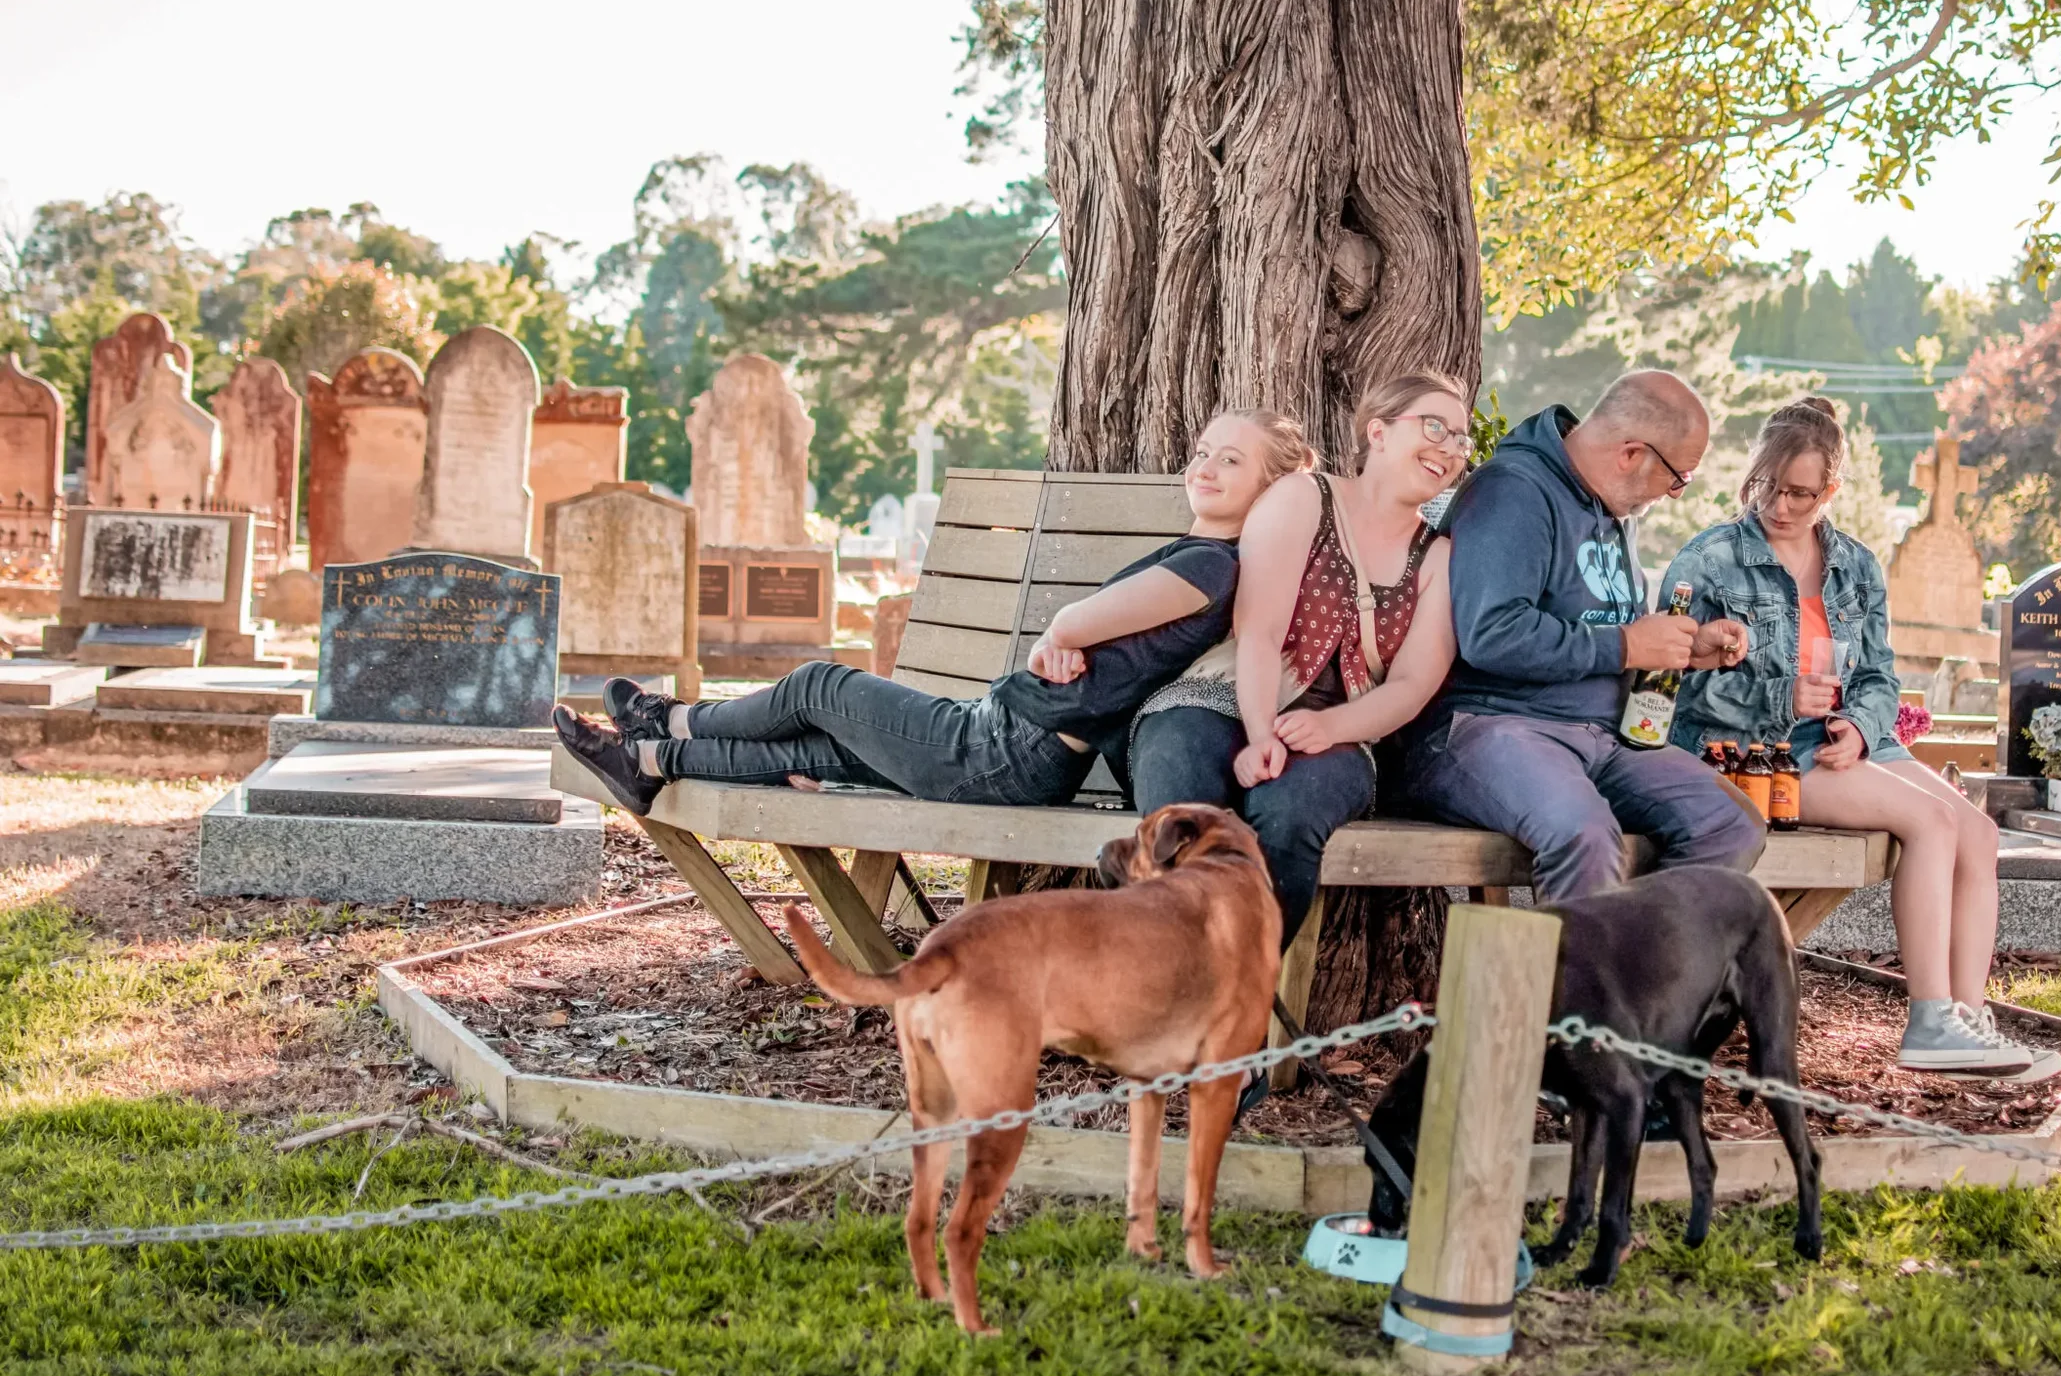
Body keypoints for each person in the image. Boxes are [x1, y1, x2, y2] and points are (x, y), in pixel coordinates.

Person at [555, 410, 1311, 816]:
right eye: (1203, 451)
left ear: (1272, 489)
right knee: (815, 750)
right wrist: (1066, 640)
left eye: (1231, 461)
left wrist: (1060, 635)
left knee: (822, 684)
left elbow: (1082, 621)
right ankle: (647, 762)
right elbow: (1106, 633)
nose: (1204, 466)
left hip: (1011, 748)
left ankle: (672, 719)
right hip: (1017, 744)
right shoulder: (1202, 556)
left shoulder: (1212, 564)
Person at [1663, 397, 2056, 1077]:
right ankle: (1931, 1019)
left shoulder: (1856, 566)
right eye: (1766, 485)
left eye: (1799, 492)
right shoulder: (1711, 560)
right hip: (1759, 751)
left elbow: (1878, 677)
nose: (1779, 505)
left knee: (1979, 833)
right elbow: (1673, 690)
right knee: (1930, 821)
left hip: (1840, 742)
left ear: (1831, 491)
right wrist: (1781, 695)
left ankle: (1967, 1016)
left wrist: (1862, 727)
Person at [1395, 370, 1766, 902]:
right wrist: (1626, 645)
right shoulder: (1514, 492)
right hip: (1492, 725)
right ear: (1631, 453)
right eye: (1679, 477)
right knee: (1584, 836)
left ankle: (1649, 976)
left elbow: (1612, 631)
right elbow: (1491, 634)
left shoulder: (1615, 507)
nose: (1677, 495)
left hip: (1603, 736)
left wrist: (1683, 650)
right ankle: (1587, 985)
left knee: (1729, 824)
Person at [1127, 371, 1463, 951]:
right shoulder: (1306, 495)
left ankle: (1238, 997)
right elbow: (1258, 632)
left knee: (1291, 814)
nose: (1450, 448)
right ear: (1377, 433)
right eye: (1434, 427)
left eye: (1460, 439)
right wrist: (1260, 733)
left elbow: (1411, 686)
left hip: (1341, 733)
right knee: (1182, 797)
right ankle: (1164, 984)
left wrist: (1329, 726)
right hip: (1222, 696)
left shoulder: (1439, 558)